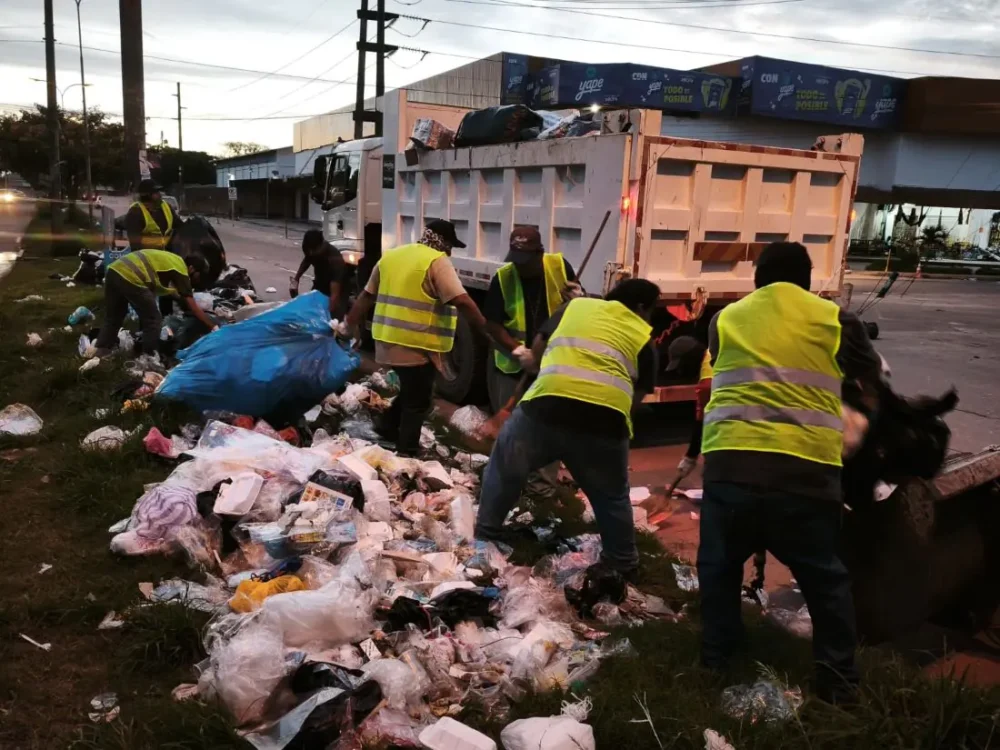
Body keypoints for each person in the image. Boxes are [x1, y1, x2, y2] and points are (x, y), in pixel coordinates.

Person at [697, 241, 881, 704]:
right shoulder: (837, 319)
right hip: (806, 475)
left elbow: (728, 368)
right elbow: (870, 385)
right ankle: (838, 684)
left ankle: (717, 660)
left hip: (730, 466)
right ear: (807, 278)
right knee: (825, 581)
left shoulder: (726, 319)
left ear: (758, 277)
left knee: (719, 568)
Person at [475, 279, 661, 577]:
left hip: (545, 408)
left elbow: (538, 348)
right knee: (611, 495)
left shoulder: (574, 307)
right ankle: (623, 561)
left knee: (506, 465)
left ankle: (486, 535)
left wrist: (539, 365)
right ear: (641, 307)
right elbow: (635, 399)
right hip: (604, 422)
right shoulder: (645, 337)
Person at [342, 219, 496, 456]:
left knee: (413, 391)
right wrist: (486, 330)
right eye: (450, 245)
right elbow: (462, 300)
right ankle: (408, 451)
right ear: (441, 242)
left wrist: (347, 325)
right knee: (419, 401)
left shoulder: (392, 256)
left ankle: (387, 426)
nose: (450, 251)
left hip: (387, 341)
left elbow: (365, 296)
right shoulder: (436, 261)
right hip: (415, 344)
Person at [483, 226, 582, 408]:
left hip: (553, 363)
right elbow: (493, 324)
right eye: (516, 261)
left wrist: (579, 299)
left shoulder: (559, 267)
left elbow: (581, 313)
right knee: (510, 419)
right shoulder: (504, 278)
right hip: (513, 368)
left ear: (540, 254)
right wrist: (519, 351)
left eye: (525, 261)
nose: (519, 266)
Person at [94, 249, 218, 357]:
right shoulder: (180, 268)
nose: (196, 279)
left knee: (114, 317)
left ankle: (101, 353)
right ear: (191, 268)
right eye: (198, 275)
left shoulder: (173, 261)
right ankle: (149, 358)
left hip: (114, 271)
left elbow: (173, 293)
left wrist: (182, 302)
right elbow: (192, 305)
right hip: (131, 276)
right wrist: (213, 326)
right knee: (153, 319)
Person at [290, 229, 349, 320]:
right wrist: (296, 279)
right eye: (309, 251)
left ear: (322, 245)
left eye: (314, 251)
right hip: (320, 284)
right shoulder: (311, 249)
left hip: (338, 288)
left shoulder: (334, 259)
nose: (311, 254)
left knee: (334, 318)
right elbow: (306, 262)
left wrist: (326, 317)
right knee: (310, 311)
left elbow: (335, 295)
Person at [125, 179, 175, 252]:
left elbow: (179, 226)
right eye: (156, 192)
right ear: (147, 195)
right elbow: (135, 246)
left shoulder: (166, 206)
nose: (160, 195)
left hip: (167, 255)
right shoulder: (135, 213)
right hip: (148, 257)